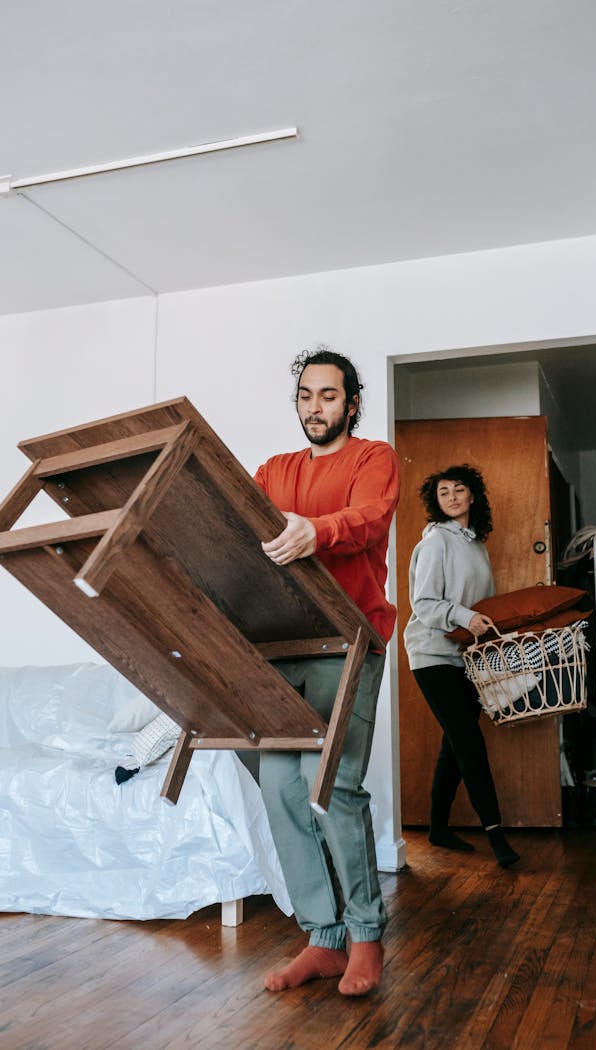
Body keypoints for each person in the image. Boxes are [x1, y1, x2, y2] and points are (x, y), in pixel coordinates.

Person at [254, 346, 400, 996]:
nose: (316, 407)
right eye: (306, 396)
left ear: (352, 401)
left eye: (329, 396)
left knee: (332, 784)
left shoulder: (374, 459)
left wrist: (316, 531)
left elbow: (369, 521)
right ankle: (324, 938)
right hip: (282, 650)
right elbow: (241, 533)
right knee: (281, 789)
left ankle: (366, 938)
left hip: (351, 644)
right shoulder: (273, 470)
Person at [403, 464, 520, 868]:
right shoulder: (436, 541)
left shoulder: (475, 543)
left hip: (465, 656)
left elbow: (480, 603)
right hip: (432, 654)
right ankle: (497, 837)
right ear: (436, 502)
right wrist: (463, 616)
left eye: (459, 490)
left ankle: (437, 827)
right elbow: (424, 604)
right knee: (468, 741)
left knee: (454, 745)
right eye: (443, 492)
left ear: (473, 496)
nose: (451, 497)